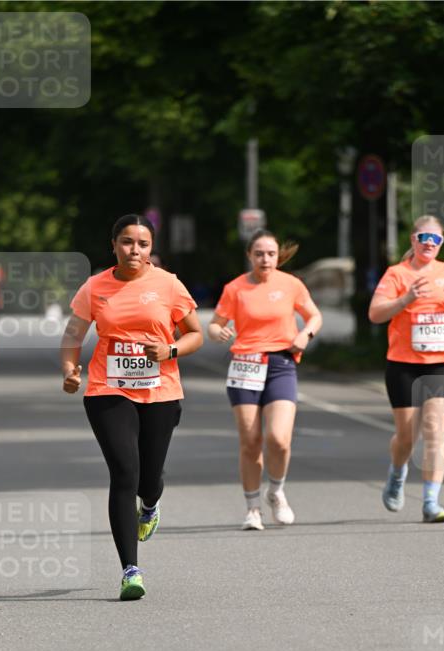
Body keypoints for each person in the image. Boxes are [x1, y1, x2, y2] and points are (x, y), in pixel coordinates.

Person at [60, 213, 203, 600]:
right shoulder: (95, 287)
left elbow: (195, 334)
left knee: (148, 478)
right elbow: (73, 335)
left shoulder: (168, 285)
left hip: (161, 391)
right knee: (124, 472)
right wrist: (71, 370)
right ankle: (130, 570)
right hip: (109, 389)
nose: (134, 250)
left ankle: (151, 504)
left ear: (151, 248)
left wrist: (169, 349)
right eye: (126, 242)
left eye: (142, 243)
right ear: (114, 246)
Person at [208, 228, 322, 530]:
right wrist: (217, 332)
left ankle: (276, 491)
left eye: (271, 253)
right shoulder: (235, 288)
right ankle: (252, 508)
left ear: (278, 256)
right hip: (245, 365)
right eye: (259, 253)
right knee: (250, 441)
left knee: (279, 440)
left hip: (281, 364)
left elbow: (314, 317)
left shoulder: (290, 284)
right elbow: (214, 324)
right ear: (249, 256)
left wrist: (304, 335)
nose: (265, 259)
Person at [368, 215, 444, 523]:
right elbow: (375, 314)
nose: (429, 243)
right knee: (407, 436)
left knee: (435, 430)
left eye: (436, 239)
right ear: (413, 240)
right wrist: (406, 299)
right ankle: (397, 473)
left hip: (441, 363)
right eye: (424, 237)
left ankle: (431, 502)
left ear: (441, 244)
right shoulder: (397, 274)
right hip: (403, 365)